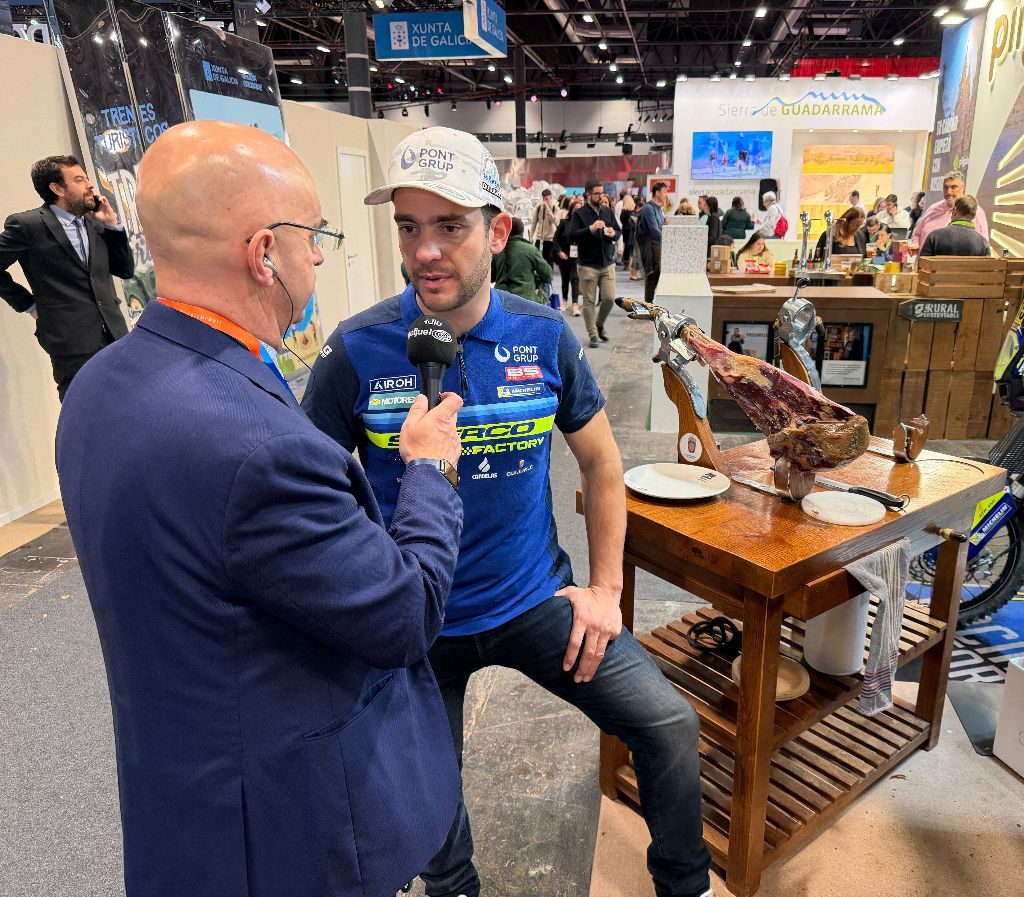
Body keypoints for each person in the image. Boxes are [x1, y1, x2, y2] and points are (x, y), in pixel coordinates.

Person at [302, 124, 715, 897]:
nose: (426, 250)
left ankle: (683, 887)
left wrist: (605, 590)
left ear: (496, 232)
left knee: (669, 724)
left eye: (450, 226)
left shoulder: (544, 335)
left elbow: (602, 462)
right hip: (417, 620)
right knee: (430, 793)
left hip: (533, 598)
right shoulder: (357, 349)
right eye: (409, 227)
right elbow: (307, 498)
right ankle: (453, 886)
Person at [55, 121, 465, 897]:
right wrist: (429, 471)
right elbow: (405, 614)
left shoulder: (96, 387)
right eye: (314, 236)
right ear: (263, 252)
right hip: (289, 831)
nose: (320, 256)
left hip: (181, 795)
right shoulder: (261, 449)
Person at [0, 154, 134, 401]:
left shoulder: (95, 221)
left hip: (115, 335)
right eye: (79, 180)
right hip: (70, 343)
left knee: (128, 406)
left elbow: (125, 270)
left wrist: (112, 226)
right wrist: (28, 305)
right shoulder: (27, 225)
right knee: (83, 412)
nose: (90, 185)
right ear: (58, 188)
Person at [570, 179, 621, 348]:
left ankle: (599, 324)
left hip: (607, 263)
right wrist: (591, 229)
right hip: (588, 264)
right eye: (597, 193)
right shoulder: (579, 213)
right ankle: (592, 334)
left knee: (609, 298)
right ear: (588, 194)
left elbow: (618, 230)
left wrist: (613, 233)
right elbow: (572, 235)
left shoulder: (607, 211)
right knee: (589, 302)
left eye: (602, 193)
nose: (600, 196)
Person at [914, 171, 990, 248]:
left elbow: (984, 244)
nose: (949, 192)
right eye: (946, 187)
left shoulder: (975, 212)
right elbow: (917, 234)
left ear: (963, 188)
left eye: (953, 187)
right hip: (924, 255)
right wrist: (915, 245)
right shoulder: (932, 209)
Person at [492, 216, 553, 304]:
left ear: (507, 231)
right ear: (522, 232)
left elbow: (491, 278)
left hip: (501, 299)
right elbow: (548, 275)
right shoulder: (530, 250)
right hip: (526, 300)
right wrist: (536, 282)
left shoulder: (498, 250)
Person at [919, 195, 992, 257]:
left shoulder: (934, 237)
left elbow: (923, 266)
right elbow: (987, 268)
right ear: (973, 216)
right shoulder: (983, 243)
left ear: (954, 211)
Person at [638, 180, 667, 303]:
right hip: (652, 246)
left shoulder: (658, 208)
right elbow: (654, 230)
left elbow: (660, 226)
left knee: (656, 275)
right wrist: (667, 241)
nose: (666, 195)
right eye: (664, 192)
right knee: (652, 275)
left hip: (658, 245)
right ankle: (648, 303)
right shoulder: (648, 208)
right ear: (657, 193)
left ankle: (649, 303)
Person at [554, 194, 583, 315]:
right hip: (564, 255)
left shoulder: (583, 225)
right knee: (565, 279)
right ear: (572, 210)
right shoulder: (564, 222)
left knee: (575, 279)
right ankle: (565, 301)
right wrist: (559, 252)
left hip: (577, 256)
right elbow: (555, 239)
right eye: (576, 209)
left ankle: (575, 304)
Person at [530, 187, 558, 263]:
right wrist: (531, 237)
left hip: (550, 239)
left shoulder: (555, 208)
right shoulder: (539, 207)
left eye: (547, 199)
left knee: (549, 262)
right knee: (538, 261)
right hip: (539, 238)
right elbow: (534, 223)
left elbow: (554, 221)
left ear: (551, 197)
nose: (545, 201)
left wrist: (547, 209)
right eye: (544, 199)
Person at [620, 192, 637, 266]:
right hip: (633, 230)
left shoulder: (624, 211)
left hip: (625, 230)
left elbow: (622, 220)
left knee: (626, 245)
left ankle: (626, 261)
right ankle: (633, 261)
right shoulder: (634, 211)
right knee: (633, 245)